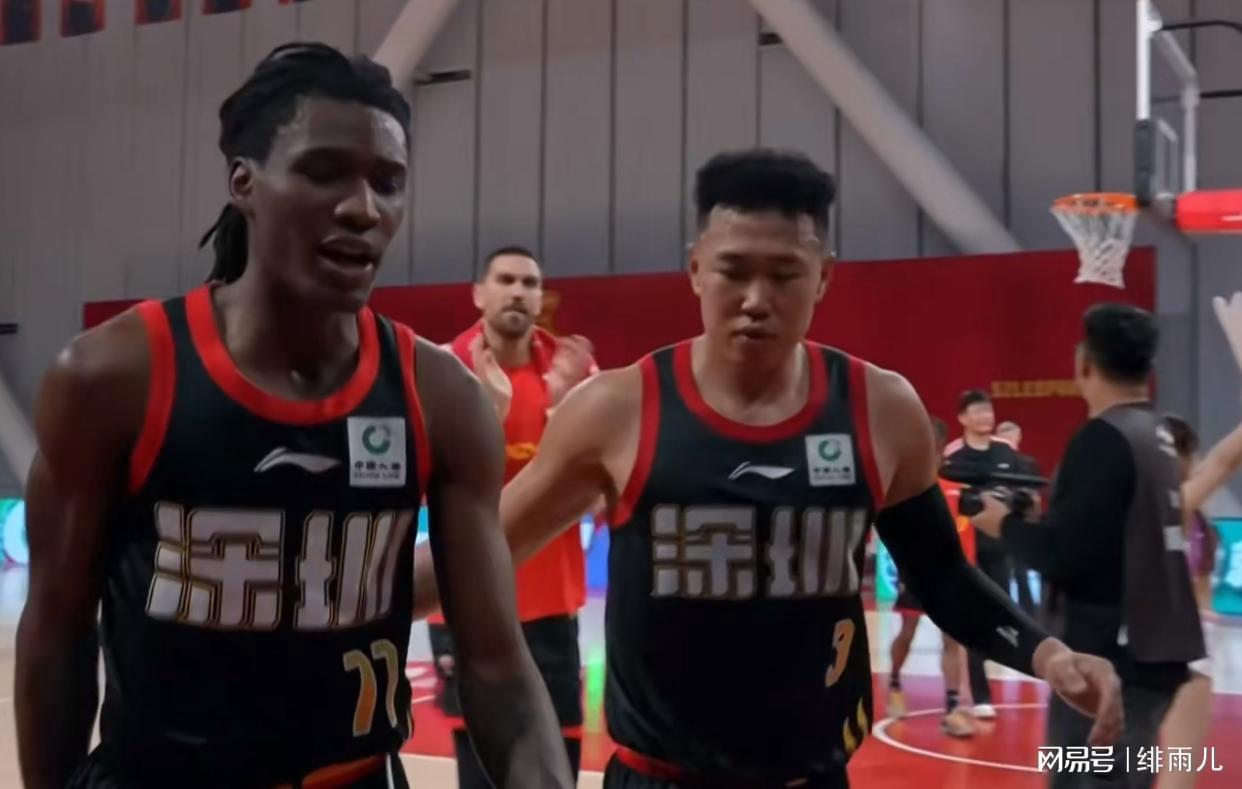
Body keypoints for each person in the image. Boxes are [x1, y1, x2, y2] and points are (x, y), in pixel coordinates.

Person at [413, 148, 1122, 788]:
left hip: (813, 775)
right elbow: (474, 557)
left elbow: (942, 576)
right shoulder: (618, 409)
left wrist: (1049, 655)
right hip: (659, 776)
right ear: (696, 269)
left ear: (824, 277)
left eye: (784, 275)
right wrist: (359, 603)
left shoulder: (880, 409)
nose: (756, 299)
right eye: (733, 271)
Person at [14, 43, 572, 789]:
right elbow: (55, 635)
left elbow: (498, 668)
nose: (363, 207)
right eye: (323, 171)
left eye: (388, 182)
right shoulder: (112, 377)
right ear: (244, 182)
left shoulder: (441, 397)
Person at [974, 303, 1205, 789]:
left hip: (1110, 659)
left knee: (1089, 778)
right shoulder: (1158, 433)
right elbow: (1105, 536)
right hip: (1153, 651)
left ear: (1084, 363)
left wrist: (1004, 525)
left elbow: (1065, 555)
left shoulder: (1103, 437)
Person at [427, 246, 597, 788]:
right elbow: (423, 492)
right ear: (479, 294)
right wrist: (486, 418)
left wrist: (564, 415)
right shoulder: (443, 369)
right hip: (466, 606)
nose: (519, 291)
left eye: (530, 283)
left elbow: (599, 498)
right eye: (505, 280)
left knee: (555, 768)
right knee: (482, 769)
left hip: (552, 607)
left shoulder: (576, 376)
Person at [1156, 413, 1242, 789]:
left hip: (1193, 640)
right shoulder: (1166, 505)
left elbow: (1219, 461)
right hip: (1166, 641)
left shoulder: (1192, 510)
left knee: (1179, 761)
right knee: (1173, 762)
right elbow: (1224, 461)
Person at [887, 418, 977, 738]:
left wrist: (968, 575)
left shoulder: (959, 490)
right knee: (908, 633)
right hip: (915, 574)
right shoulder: (905, 489)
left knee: (952, 639)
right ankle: (894, 682)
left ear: (941, 448)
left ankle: (953, 709)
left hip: (951, 576)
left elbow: (967, 539)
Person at [941, 388, 1026, 719]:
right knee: (974, 619)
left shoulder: (1006, 451)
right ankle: (980, 695)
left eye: (987, 410)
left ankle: (1002, 663)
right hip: (966, 551)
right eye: (976, 411)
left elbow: (1020, 492)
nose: (984, 417)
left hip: (1000, 548)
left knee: (1001, 615)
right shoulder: (952, 456)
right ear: (962, 418)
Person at [996, 419, 1040, 615]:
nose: (1008, 439)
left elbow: (1034, 494)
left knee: (1021, 570)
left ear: (1019, 437)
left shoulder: (1028, 463)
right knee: (1000, 569)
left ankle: (1028, 613)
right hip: (996, 520)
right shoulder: (992, 462)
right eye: (1003, 435)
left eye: (1011, 434)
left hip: (1021, 520)